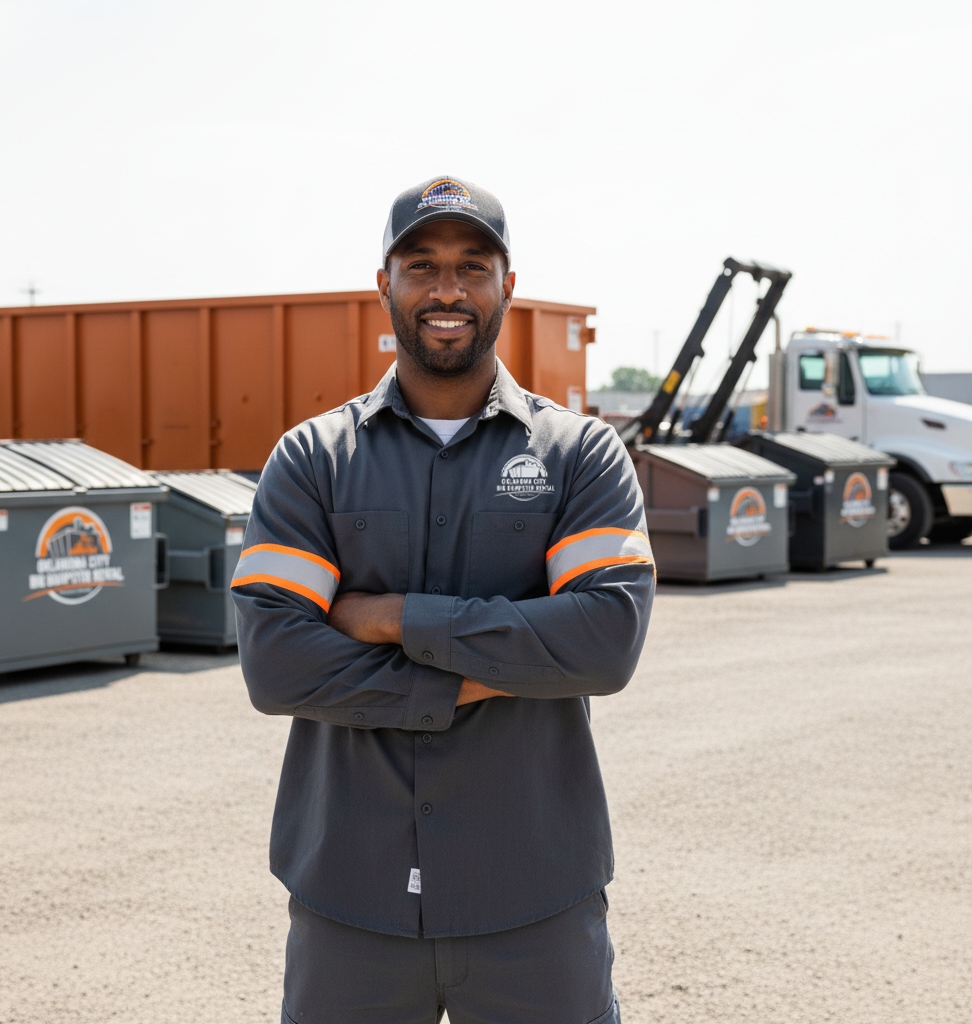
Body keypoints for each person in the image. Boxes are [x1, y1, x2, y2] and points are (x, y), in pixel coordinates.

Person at [232, 175, 655, 1024]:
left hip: (534, 892)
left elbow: (604, 642)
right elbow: (277, 664)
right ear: (383, 285)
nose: (448, 289)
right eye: (421, 265)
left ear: (508, 286)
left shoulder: (581, 455)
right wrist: (481, 672)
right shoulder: (313, 458)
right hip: (352, 896)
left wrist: (390, 617)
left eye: (473, 265)